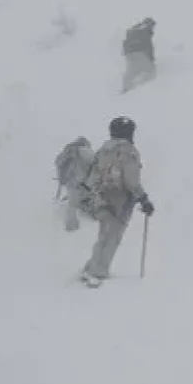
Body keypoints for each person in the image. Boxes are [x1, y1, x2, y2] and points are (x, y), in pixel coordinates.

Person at [78, 117, 153, 287]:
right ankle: (98, 272)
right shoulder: (129, 152)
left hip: (101, 196)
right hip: (120, 199)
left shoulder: (104, 150)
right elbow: (132, 180)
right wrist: (143, 198)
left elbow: (93, 174)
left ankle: (91, 267)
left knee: (103, 234)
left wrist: (89, 193)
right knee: (113, 236)